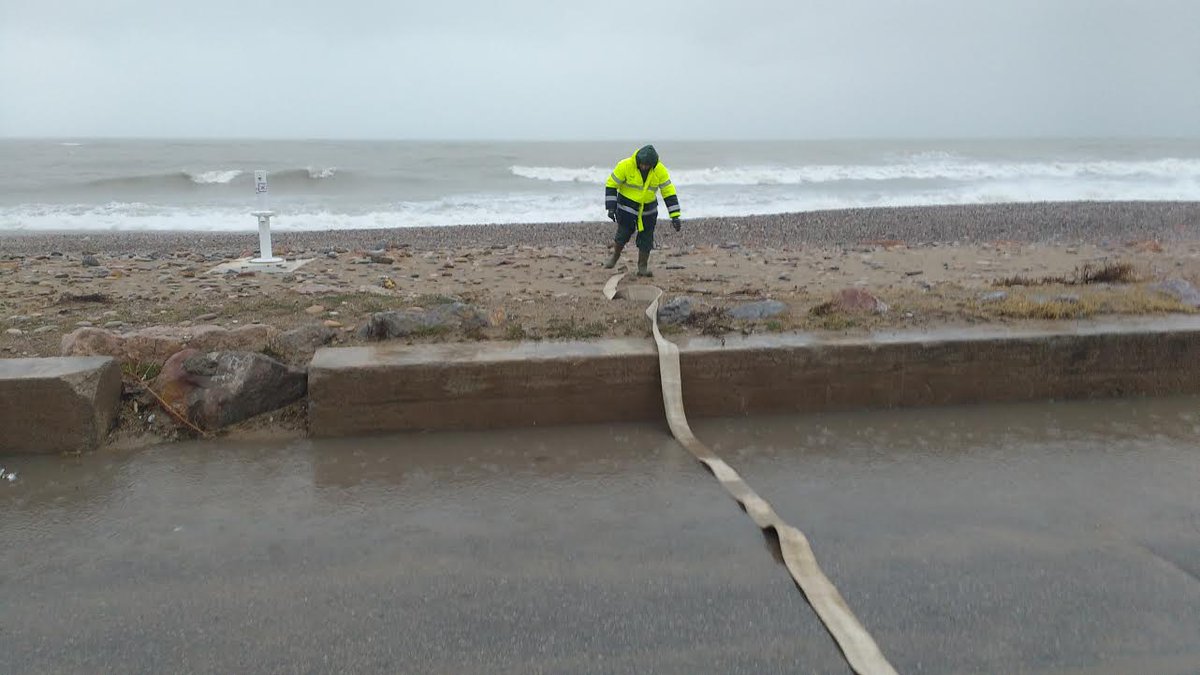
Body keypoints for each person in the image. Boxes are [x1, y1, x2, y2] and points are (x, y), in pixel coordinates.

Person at [604, 145, 681, 277]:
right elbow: (611, 184)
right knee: (622, 236)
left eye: (647, 165)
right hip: (627, 209)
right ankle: (615, 256)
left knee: (646, 239)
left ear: (653, 164)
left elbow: (668, 192)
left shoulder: (660, 170)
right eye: (642, 164)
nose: (644, 167)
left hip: (648, 210)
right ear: (638, 161)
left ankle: (642, 267)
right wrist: (611, 207)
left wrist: (675, 216)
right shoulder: (625, 165)